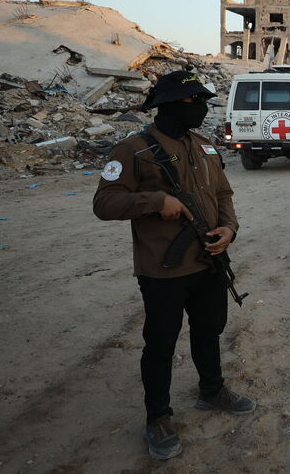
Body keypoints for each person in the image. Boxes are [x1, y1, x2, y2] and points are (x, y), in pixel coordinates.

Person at [93, 70, 255, 461]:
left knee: (209, 331)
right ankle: (158, 418)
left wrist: (229, 228)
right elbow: (104, 203)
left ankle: (211, 390)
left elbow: (223, 194)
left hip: (209, 261)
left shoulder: (205, 146)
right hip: (162, 270)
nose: (201, 108)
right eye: (194, 101)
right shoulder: (132, 150)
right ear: (169, 105)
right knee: (161, 344)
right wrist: (155, 202)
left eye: (203, 101)